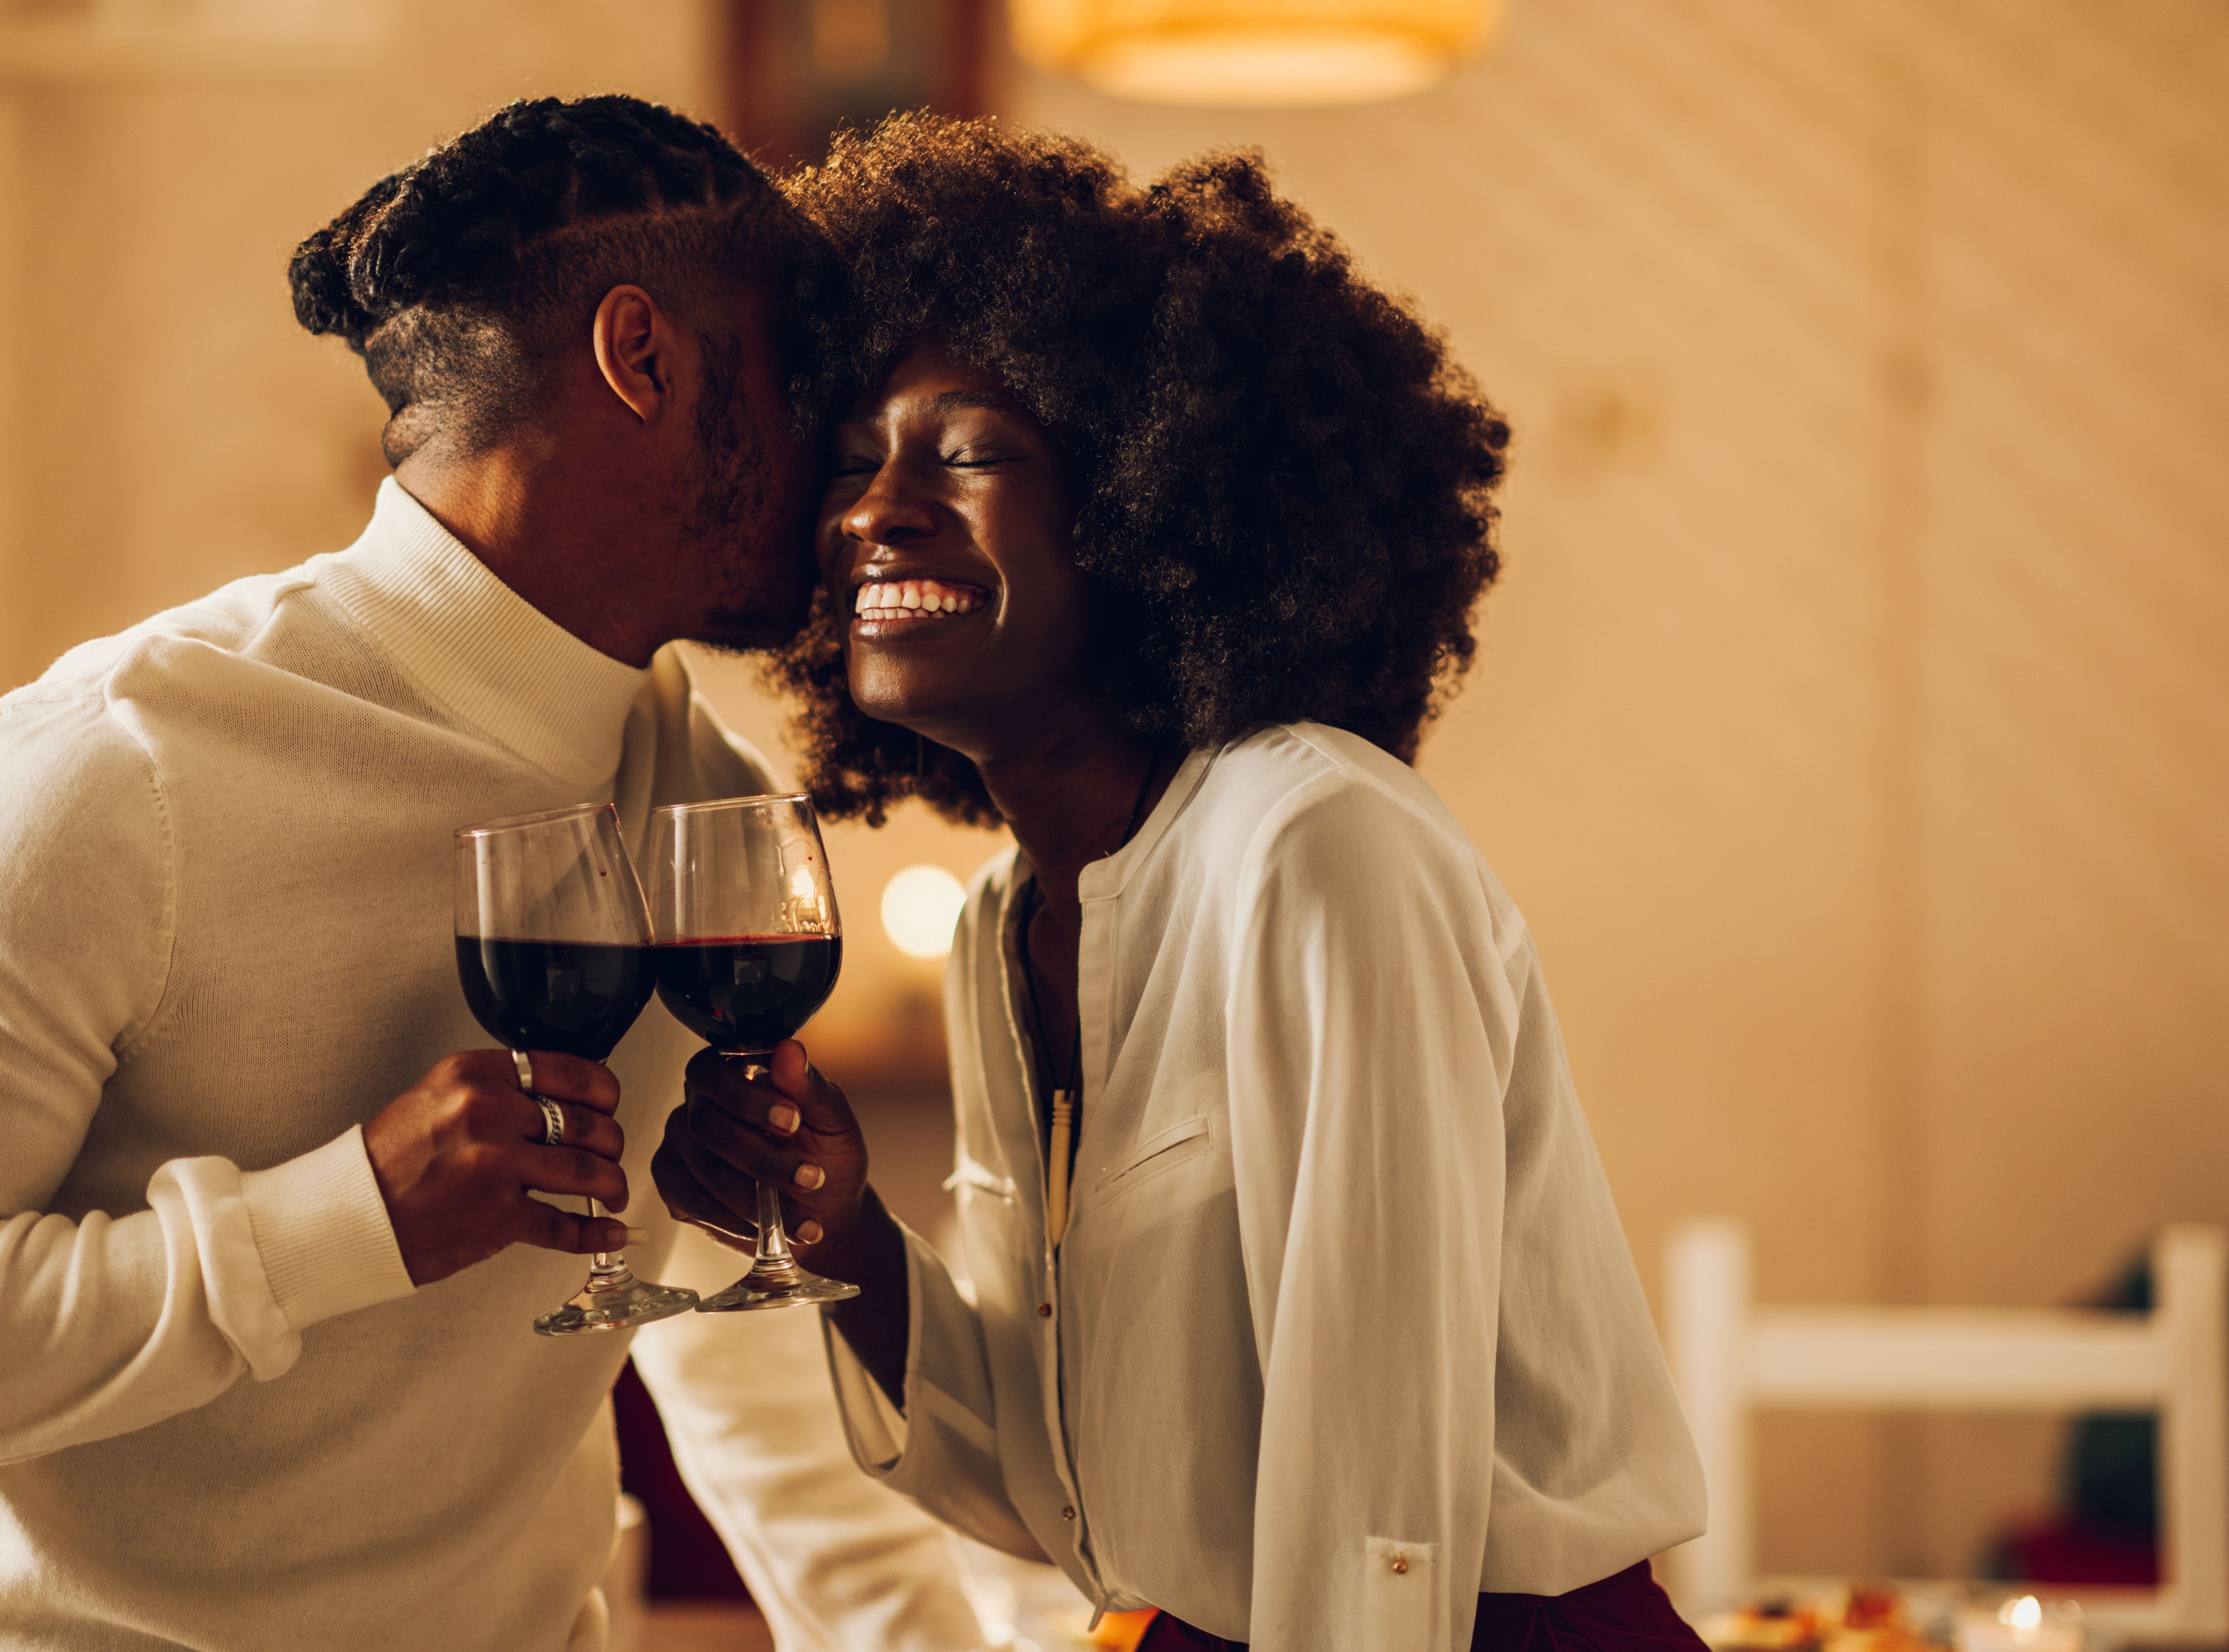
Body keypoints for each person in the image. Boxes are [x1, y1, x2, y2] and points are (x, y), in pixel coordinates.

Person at [0, 98, 983, 1651]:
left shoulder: (699, 789)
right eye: (809, 392)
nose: (853, 491)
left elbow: (733, 1360)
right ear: (641, 359)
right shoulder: (117, 764)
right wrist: (342, 1221)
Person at [655, 115, 1711, 1652]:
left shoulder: (1319, 844)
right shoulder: (1011, 918)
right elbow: (1065, 1492)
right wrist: (844, 1240)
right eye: (851, 463)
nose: (875, 511)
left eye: (967, 452)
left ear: (1151, 497)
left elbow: (1380, 1525)